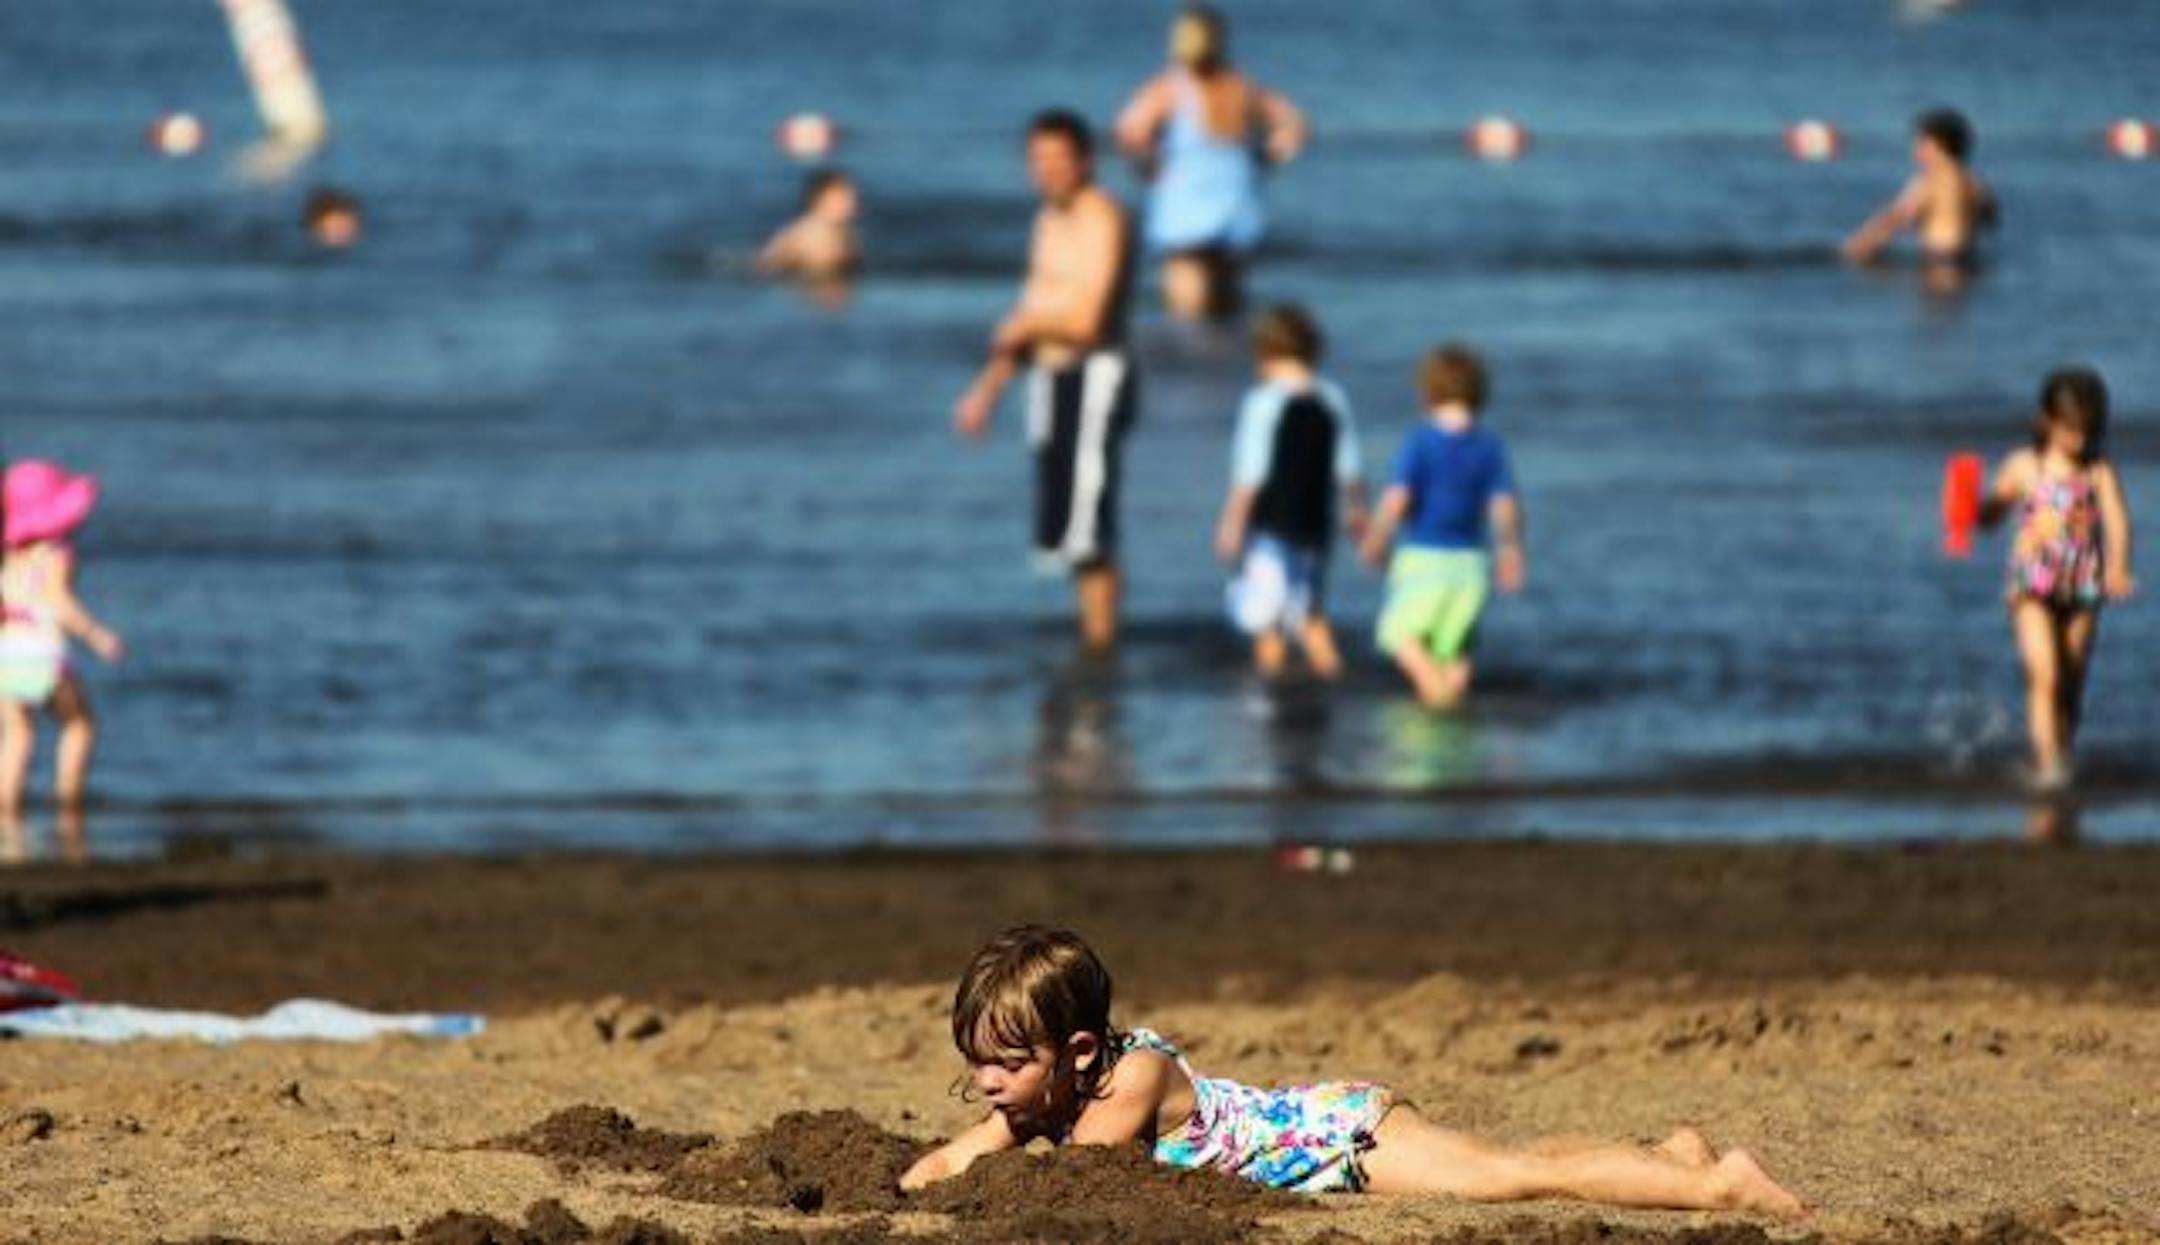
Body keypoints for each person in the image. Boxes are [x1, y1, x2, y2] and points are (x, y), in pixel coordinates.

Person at [900, 925, 1806, 1217]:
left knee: (1506, 1176)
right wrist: (923, 1185)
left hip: (1339, 1135)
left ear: (1079, 1054)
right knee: (1507, 1156)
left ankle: (1720, 1185)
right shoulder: (1035, 1098)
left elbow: (1076, 1173)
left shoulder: (1130, 1078)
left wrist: (990, 1164)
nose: (988, 1085)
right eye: (976, 1066)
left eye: (1008, 1066)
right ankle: (1668, 1151)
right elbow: (945, 1162)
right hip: (1320, 1130)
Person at [954, 110, 1137, 651]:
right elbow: (1031, 313)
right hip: (1051, 376)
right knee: (1063, 531)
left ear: (1085, 160)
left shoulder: (1103, 217)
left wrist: (1029, 324)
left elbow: (1088, 319)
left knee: (1088, 527)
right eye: (1038, 160)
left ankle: (1103, 647)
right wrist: (987, 390)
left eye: (1058, 159)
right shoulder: (1047, 221)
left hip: (1096, 374)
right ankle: (1092, 639)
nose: (1048, 170)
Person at [1977, 367, 2134, 790]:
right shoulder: (2025, 466)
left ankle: (2059, 752)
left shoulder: (2098, 471)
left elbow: (2118, 521)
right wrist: (1976, 511)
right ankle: (2049, 771)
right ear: (2046, 420)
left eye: (2088, 432)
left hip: (2083, 585)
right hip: (2032, 584)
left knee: (2071, 683)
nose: (2079, 442)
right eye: (2071, 432)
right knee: (2044, 675)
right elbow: (1994, 512)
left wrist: (2118, 567)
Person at [1358, 344, 1523, 709]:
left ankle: (1436, 696)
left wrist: (1376, 537)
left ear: (1428, 392)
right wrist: (1510, 550)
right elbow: (1504, 504)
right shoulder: (1489, 446)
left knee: (1398, 632)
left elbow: (1398, 498)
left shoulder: (1421, 442)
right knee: (1453, 652)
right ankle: (1451, 725)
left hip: (1425, 559)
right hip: (1471, 567)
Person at [1114, 4, 1305, 320]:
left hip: (1184, 217)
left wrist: (1149, 170)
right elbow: (1294, 124)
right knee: (1229, 315)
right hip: (1236, 213)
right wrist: (1266, 160)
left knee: (1186, 318)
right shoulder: (1241, 87)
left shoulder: (1170, 89)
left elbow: (1129, 132)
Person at [1215, 304, 1365, 680]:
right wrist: (1357, 518)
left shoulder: (1263, 403)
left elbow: (1251, 474)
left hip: (1272, 529)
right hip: (1316, 529)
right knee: (1309, 611)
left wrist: (1231, 524)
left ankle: (1271, 685)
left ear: (1265, 352)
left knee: (1269, 622)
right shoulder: (1333, 399)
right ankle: (1333, 676)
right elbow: (1349, 472)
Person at [0, 461, 124, 824]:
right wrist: (97, 635)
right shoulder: (56, 556)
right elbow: (59, 603)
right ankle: (68, 805)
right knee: (79, 723)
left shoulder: (10, 558)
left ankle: (8, 815)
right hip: (41, 654)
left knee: (18, 736)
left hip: (5, 655)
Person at [1841, 107, 1996, 268]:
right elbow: (1990, 220)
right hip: (1968, 261)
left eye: (1919, 143)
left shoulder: (1930, 180)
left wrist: (1854, 248)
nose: (1915, 150)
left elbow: (1895, 217)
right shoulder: (1977, 183)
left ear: (1934, 145)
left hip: (1937, 260)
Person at [756, 168, 861, 282]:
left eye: (851, 196)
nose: (852, 202)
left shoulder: (848, 234)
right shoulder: (805, 234)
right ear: (823, 199)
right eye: (843, 197)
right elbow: (767, 264)